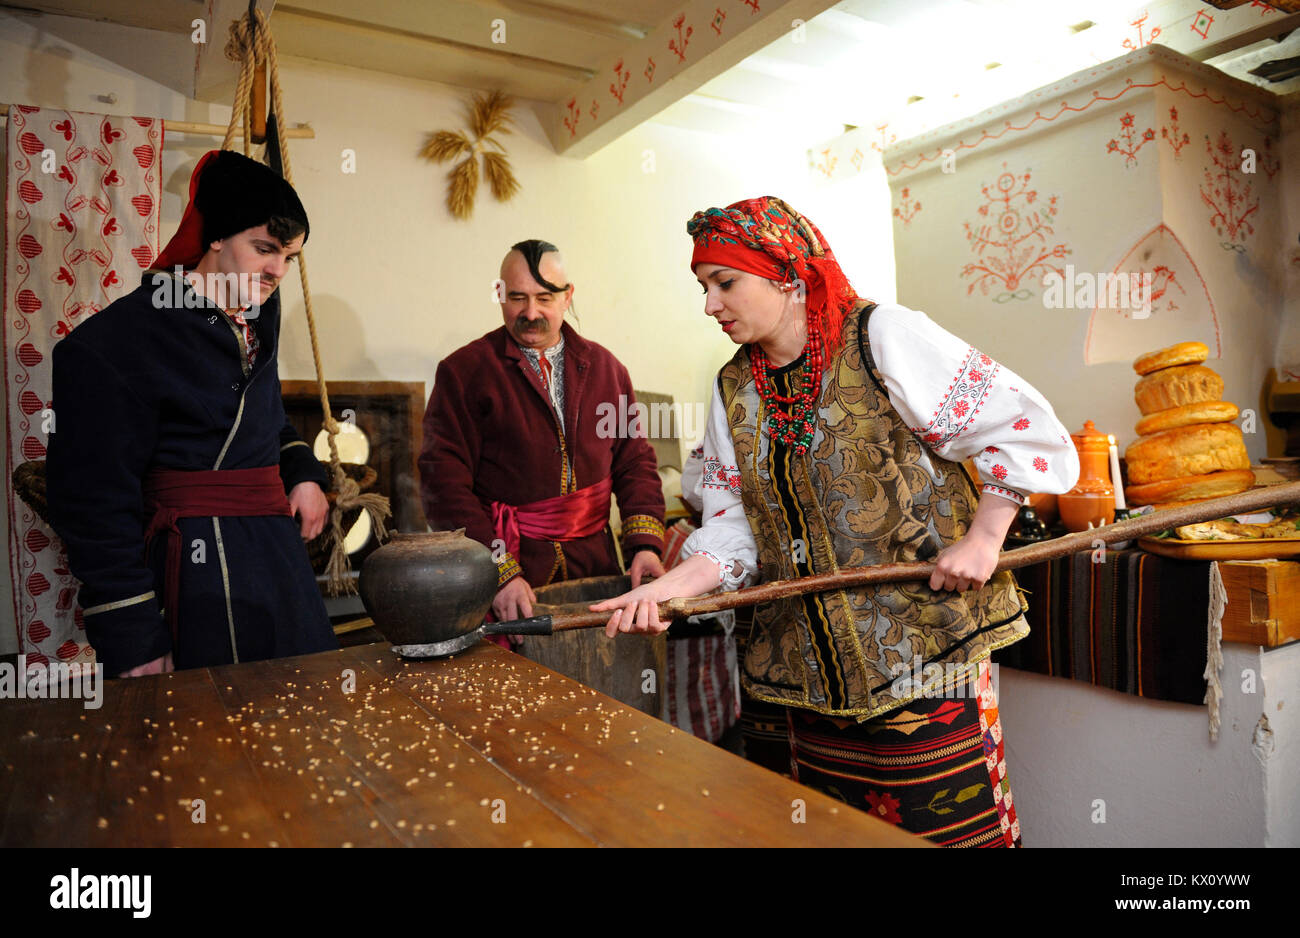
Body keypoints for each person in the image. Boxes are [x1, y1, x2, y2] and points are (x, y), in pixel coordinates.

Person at [593, 197, 1079, 847]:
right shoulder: (733, 387)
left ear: (788, 274)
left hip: (920, 654)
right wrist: (671, 587)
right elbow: (735, 521)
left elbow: (1022, 428)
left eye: (725, 283)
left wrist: (985, 536)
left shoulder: (882, 336)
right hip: (788, 681)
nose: (709, 304)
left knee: (943, 836)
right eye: (703, 287)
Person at [46, 149, 335, 678]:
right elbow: (91, 502)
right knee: (208, 744)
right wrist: (133, 636)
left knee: (304, 726)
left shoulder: (256, 311)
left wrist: (302, 473)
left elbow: (264, 417)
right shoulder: (114, 345)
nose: (278, 272)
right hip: (194, 574)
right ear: (216, 235)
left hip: (277, 558)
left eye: (290, 257)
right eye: (265, 249)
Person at [419, 240, 666, 624]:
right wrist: (498, 571)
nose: (530, 313)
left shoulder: (607, 369)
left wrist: (644, 547)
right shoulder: (464, 372)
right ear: (499, 294)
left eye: (544, 297)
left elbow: (634, 463)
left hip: (597, 570)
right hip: (510, 575)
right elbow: (443, 484)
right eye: (517, 297)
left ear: (568, 296)